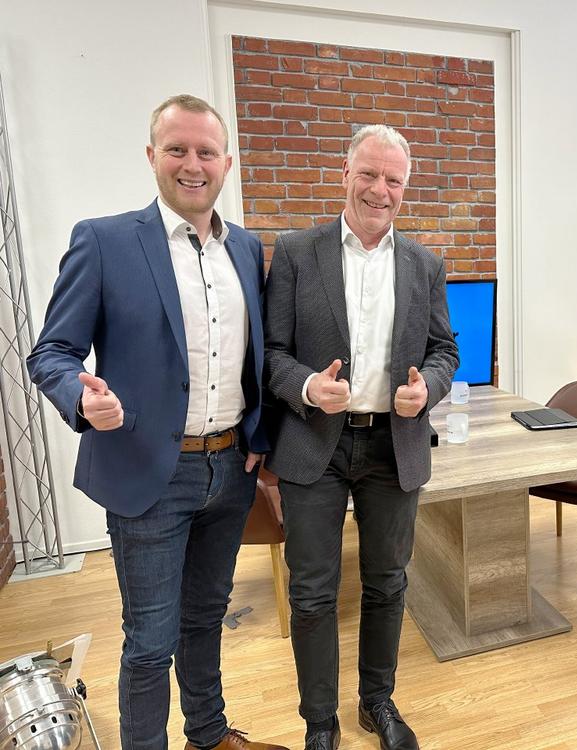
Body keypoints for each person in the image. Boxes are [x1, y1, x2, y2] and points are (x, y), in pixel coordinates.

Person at [27, 94, 284, 750]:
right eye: (177, 150)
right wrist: (81, 398)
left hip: (229, 468)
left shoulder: (246, 247)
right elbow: (51, 352)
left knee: (206, 618)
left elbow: (256, 357)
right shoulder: (104, 241)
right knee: (149, 641)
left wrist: (259, 440)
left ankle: (208, 734)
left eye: (206, 152)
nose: (192, 164)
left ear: (226, 163)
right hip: (148, 474)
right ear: (152, 156)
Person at [264, 124, 458, 750]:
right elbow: (271, 352)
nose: (380, 190)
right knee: (312, 593)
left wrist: (428, 389)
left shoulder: (425, 264)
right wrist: (305, 386)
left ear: (405, 187)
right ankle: (320, 723)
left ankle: (377, 701)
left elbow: (444, 351)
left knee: (388, 583)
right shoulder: (296, 252)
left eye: (393, 180)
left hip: (392, 448)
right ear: (345, 174)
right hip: (314, 445)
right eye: (369, 174)